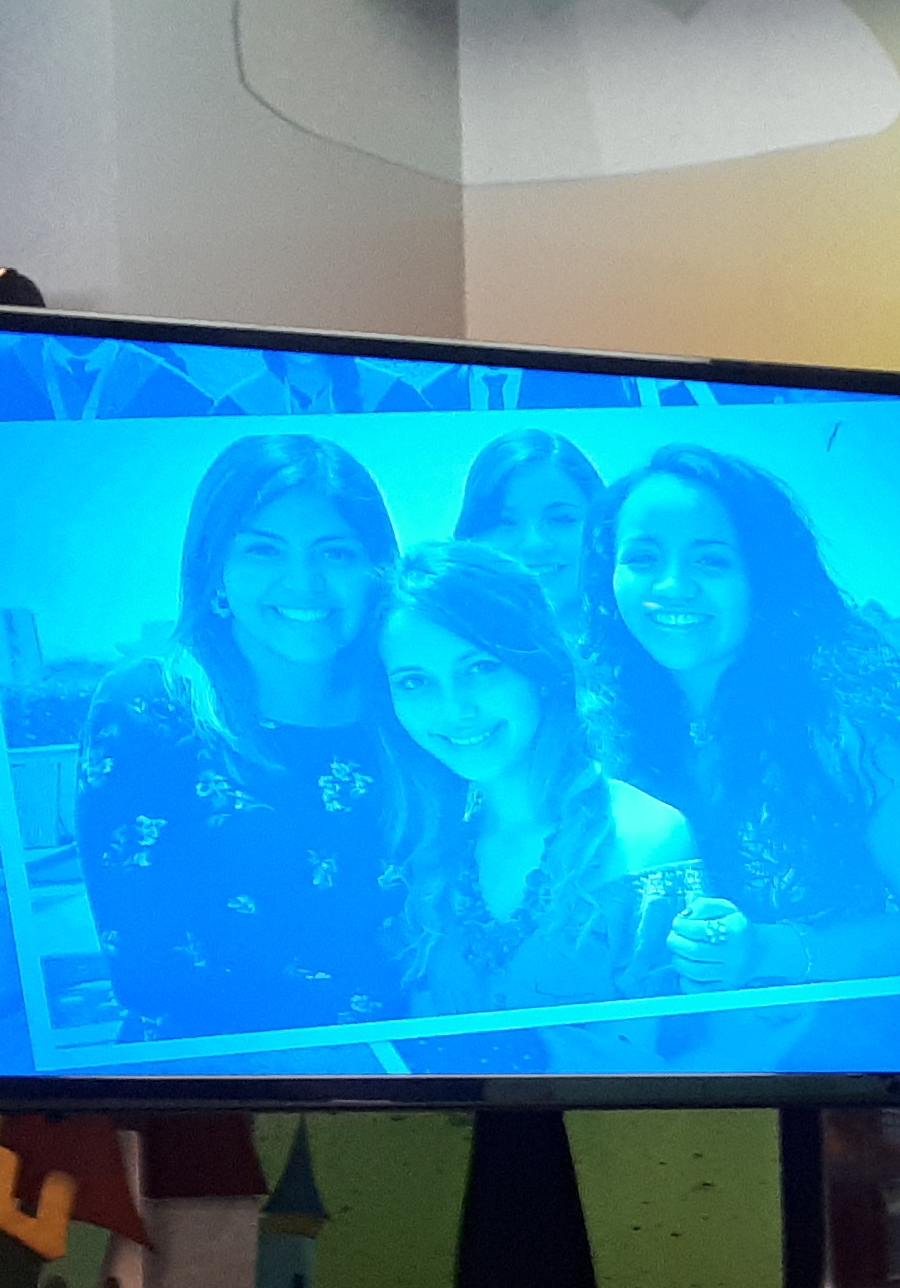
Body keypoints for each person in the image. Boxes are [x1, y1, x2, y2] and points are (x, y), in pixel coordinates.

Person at [585, 442, 900, 1025]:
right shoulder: (592, 728)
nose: (671, 586)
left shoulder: (849, 733)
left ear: (763, 576)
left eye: (711, 561)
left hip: (826, 1058)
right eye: (642, 558)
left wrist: (770, 950)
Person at [74, 433, 403, 1042]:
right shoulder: (147, 707)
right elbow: (146, 966)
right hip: (215, 1082)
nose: (303, 583)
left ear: (377, 572)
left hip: (416, 1071)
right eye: (263, 552)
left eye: (335, 553)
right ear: (215, 572)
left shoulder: (413, 702)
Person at [370, 543, 705, 1063]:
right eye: (414, 681)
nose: (455, 708)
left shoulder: (647, 835)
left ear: (538, 666)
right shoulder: (427, 856)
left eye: (480, 667)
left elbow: (678, 1065)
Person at [452, 429, 607, 609]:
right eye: (506, 522)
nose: (534, 544)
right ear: (469, 538)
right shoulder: (428, 632)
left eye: (561, 519)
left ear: (604, 528)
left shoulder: (643, 633)